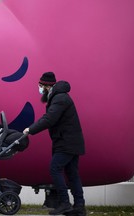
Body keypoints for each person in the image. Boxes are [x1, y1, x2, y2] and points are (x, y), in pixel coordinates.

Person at [23, 72, 86, 216]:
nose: (39, 89)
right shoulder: (60, 97)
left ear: (46, 86)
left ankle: (64, 203)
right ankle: (79, 207)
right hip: (70, 141)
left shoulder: (60, 98)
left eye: (40, 86)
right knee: (72, 174)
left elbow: (49, 119)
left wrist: (30, 129)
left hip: (66, 142)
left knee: (54, 168)